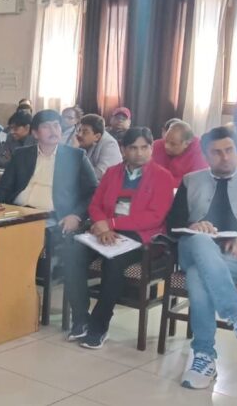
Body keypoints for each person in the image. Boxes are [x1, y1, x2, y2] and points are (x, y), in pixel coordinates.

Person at [166, 126, 237, 389]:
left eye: (229, 150)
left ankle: (204, 355)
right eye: (217, 153)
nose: (225, 157)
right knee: (200, 239)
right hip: (194, 250)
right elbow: (172, 224)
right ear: (206, 156)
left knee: (198, 276)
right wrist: (193, 226)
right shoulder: (190, 181)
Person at [0, 110, 98, 339]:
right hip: (19, 215)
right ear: (35, 133)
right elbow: (3, 190)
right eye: (47, 126)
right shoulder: (22, 155)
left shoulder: (75, 156)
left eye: (57, 126)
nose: (54, 130)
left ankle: (81, 319)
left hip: (54, 220)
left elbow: (93, 192)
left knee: (72, 254)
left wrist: (77, 215)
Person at [67, 128, 175, 349]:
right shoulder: (113, 172)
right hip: (103, 230)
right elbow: (95, 204)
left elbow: (154, 216)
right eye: (133, 148)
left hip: (141, 237)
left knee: (113, 262)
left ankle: (99, 325)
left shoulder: (163, 176)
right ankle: (80, 318)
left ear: (151, 148)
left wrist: (112, 224)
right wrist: (102, 225)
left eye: (144, 147)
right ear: (123, 150)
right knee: (72, 255)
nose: (139, 153)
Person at [153, 120, 208, 188]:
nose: (166, 146)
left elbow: (195, 182)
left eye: (173, 144)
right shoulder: (157, 145)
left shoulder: (200, 152)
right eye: (166, 140)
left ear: (186, 144)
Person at [75, 114, 123, 180]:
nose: (79, 134)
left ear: (97, 136)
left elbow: (100, 173)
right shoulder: (81, 141)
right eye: (79, 130)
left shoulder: (110, 144)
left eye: (85, 132)